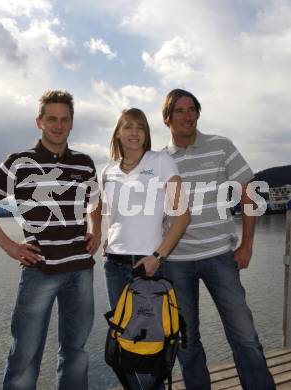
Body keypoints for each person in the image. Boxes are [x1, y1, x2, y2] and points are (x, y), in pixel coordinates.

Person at [0, 90, 101, 390]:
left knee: (76, 353)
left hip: (81, 270)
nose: (58, 125)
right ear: (39, 122)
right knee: (25, 357)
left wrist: (97, 229)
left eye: (64, 119)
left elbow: (96, 201)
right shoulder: (20, 162)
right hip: (39, 270)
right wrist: (9, 246)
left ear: (71, 123)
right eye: (51, 119)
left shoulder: (84, 163)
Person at [160, 88, 275, 389]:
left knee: (244, 335)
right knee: (187, 341)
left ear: (198, 112)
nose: (187, 116)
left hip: (219, 256)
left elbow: (249, 192)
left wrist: (247, 244)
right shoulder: (159, 160)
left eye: (191, 109)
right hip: (176, 261)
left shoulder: (221, 146)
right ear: (167, 118)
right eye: (179, 111)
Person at [101, 108, 190, 389]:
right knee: (125, 344)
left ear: (147, 133)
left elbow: (182, 215)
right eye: (127, 127)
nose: (134, 132)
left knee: (152, 346)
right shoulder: (108, 171)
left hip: (148, 265)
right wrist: (108, 238)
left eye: (140, 127)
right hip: (114, 266)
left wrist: (157, 256)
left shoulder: (160, 161)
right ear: (118, 133)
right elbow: (110, 212)